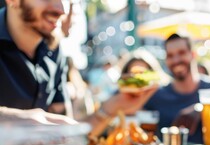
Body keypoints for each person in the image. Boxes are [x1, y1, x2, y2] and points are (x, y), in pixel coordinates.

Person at [0, 1, 156, 137]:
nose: (61, 9)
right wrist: (16, 120)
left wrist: (113, 107)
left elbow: (67, 135)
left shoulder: (55, 52)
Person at [143, 33, 210, 143]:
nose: (176, 60)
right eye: (170, 55)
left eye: (181, 53)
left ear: (193, 54)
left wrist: (200, 109)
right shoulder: (156, 95)